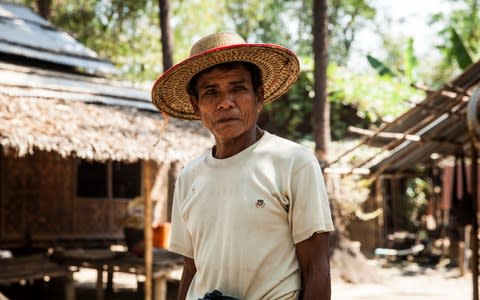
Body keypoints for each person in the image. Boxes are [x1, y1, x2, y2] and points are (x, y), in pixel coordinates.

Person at [151, 32, 334, 300]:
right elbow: (191, 269)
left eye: (238, 88)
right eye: (211, 92)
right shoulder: (189, 177)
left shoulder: (293, 162)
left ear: (259, 96)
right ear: (196, 105)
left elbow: (316, 268)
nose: (225, 102)